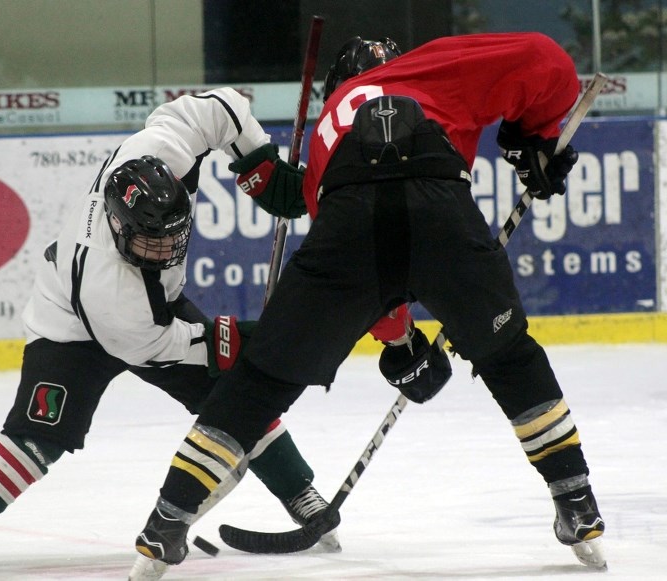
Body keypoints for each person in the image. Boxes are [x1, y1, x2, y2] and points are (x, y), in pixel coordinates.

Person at [128, 32, 606, 578]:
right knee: (509, 356)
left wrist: (399, 339)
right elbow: (546, 60)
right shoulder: (430, 71)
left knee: (260, 381)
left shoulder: (329, 127)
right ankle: (577, 503)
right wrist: (535, 141)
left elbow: (363, 263)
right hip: (438, 201)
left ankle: (165, 524)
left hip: (349, 211)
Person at [0, 87, 341, 574]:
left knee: (236, 397)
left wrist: (261, 166)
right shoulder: (114, 292)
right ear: (118, 225)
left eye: (172, 236)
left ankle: (301, 494)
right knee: (38, 434)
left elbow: (222, 107)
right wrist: (233, 343)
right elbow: (160, 345)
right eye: (150, 241)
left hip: (154, 312)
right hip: (69, 324)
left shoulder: (158, 150)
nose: (165, 250)